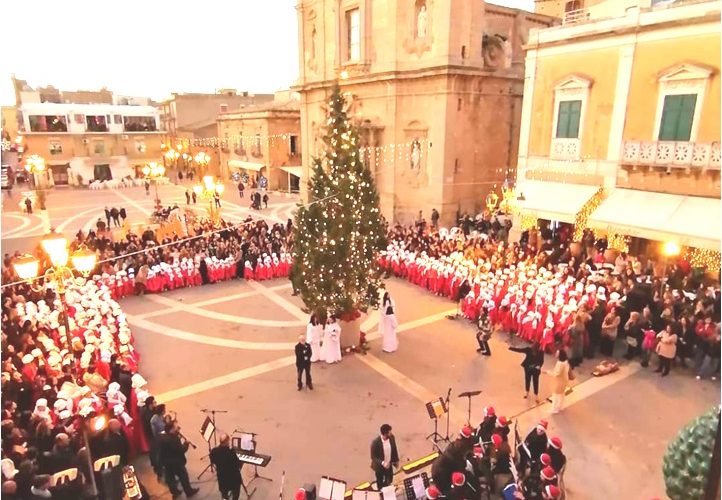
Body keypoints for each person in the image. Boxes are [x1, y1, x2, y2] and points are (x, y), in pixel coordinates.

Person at [157, 421, 199, 498]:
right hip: (176, 462)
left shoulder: (162, 436)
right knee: (183, 477)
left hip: (166, 462)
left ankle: (175, 492)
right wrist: (186, 443)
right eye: (175, 427)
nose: (177, 428)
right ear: (171, 429)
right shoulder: (174, 439)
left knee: (170, 478)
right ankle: (189, 492)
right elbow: (181, 450)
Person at [210, 433, 248, 500]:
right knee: (236, 493)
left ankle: (225, 498)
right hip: (233, 479)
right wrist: (242, 462)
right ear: (226, 441)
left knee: (224, 493)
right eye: (228, 441)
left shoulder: (214, 451)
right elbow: (237, 465)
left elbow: (213, 461)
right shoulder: (231, 453)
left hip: (222, 479)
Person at [370, 424, 399, 489]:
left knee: (389, 480)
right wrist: (383, 463)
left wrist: (396, 460)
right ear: (385, 433)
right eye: (389, 432)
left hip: (389, 465)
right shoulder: (375, 443)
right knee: (380, 482)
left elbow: (394, 449)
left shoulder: (392, 437)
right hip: (379, 467)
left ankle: (387, 490)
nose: (391, 433)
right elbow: (373, 457)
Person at [545, 349, 570, 414]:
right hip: (564, 380)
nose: (556, 354)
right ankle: (561, 406)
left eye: (557, 353)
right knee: (561, 394)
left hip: (559, 382)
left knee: (555, 395)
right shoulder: (565, 362)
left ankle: (554, 409)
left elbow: (556, 373)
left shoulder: (560, 363)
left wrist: (548, 372)